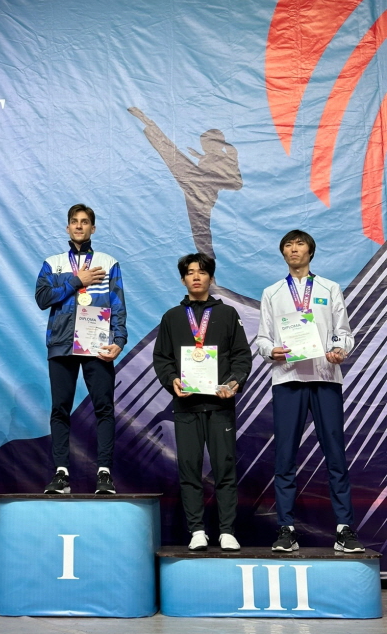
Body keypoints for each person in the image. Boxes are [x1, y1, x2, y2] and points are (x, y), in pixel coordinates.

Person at [256, 230, 364, 552]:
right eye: (288, 245)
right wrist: (270, 351)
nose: (294, 249)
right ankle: (286, 529)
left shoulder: (329, 288)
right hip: (287, 379)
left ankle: (344, 529)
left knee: (335, 455)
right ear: (283, 253)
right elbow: (263, 338)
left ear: (310, 251)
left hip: (325, 377)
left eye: (299, 244)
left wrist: (339, 350)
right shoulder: (272, 292)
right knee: (285, 456)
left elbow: (343, 333)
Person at [153, 253, 251, 550]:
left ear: (211, 277)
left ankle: (227, 531)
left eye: (202, 271)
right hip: (186, 405)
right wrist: (172, 380)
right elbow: (162, 358)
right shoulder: (172, 317)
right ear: (182, 279)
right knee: (189, 468)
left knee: (225, 468)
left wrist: (234, 382)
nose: (196, 276)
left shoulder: (227, 314)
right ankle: (197, 530)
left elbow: (242, 356)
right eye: (190, 272)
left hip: (220, 404)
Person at [35, 204, 127, 494]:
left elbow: (117, 304)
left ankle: (104, 474)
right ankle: (61, 474)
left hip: (97, 344)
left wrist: (119, 341)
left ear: (93, 228)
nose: (79, 226)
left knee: (104, 408)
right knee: (60, 408)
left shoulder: (108, 262)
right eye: (74, 221)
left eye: (84, 222)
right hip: (61, 344)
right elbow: (42, 298)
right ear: (67, 227)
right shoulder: (53, 263)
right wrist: (78, 281)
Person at [128, 107, 242, 257]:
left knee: (172, 155)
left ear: (218, 144)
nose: (205, 147)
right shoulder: (209, 157)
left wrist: (211, 178)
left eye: (208, 144)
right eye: (204, 144)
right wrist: (200, 158)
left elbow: (237, 183)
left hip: (203, 191)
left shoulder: (227, 157)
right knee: (199, 230)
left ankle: (148, 123)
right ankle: (148, 123)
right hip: (194, 189)